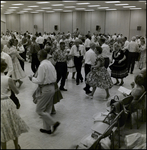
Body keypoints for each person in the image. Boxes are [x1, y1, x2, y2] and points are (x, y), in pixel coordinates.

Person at [28, 49, 60, 134]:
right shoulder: (50, 63)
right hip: (52, 87)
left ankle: (53, 123)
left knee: (39, 110)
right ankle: (47, 129)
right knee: (47, 109)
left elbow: (40, 80)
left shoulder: (42, 66)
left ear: (39, 56)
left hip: (46, 89)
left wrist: (32, 78)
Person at [1, 58, 29, 149]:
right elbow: (17, 92)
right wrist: (8, 89)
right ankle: (16, 146)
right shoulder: (7, 79)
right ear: (4, 68)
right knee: (13, 123)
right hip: (6, 102)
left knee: (2, 127)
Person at [1, 43, 21, 109]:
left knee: (11, 92)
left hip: (6, 73)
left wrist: (6, 77)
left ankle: (16, 103)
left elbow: (11, 67)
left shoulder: (6, 56)